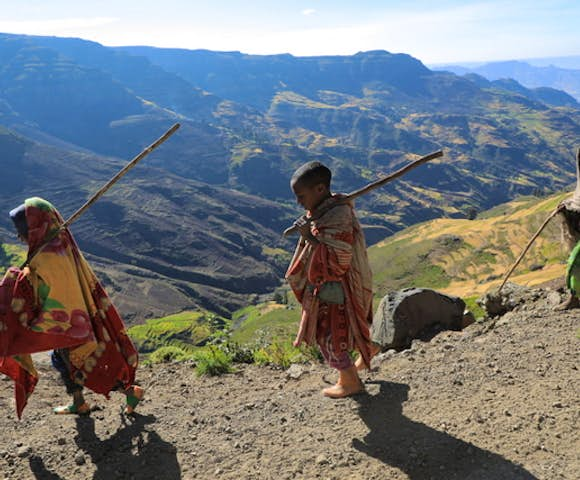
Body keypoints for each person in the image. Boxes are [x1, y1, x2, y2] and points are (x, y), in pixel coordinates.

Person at [0, 197, 143, 418]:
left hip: (66, 320)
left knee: (79, 363)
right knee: (63, 358)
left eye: (22, 230)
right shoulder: (58, 243)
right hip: (73, 315)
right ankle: (80, 402)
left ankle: (128, 391)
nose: (19, 236)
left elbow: (42, 287)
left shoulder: (46, 256)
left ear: (35, 228)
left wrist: (13, 279)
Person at [286, 162, 376, 398]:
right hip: (331, 288)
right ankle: (362, 359)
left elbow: (338, 262)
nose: (299, 202)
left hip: (338, 290)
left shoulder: (338, 215)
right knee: (340, 333)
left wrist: (308, 236)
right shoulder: (326, 210)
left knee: (330, 336)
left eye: (301, 196)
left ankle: (350, 382)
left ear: (319, 189)